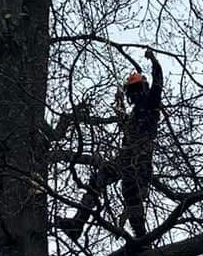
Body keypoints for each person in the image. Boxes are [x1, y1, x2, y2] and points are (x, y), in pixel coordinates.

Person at [63, 49, 164, 243]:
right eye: (131, 92)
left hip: (141, 160)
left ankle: (142, 241)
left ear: (143, 89)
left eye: (136, 90)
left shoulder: (151, 103)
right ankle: (77, 224)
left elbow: (158, 82)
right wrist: (119, 104)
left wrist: (153, 61)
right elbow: (125, 126)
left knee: (131, 193)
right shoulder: (133, 115)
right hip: (125, 158)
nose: (134, 94)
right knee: (98, 178)